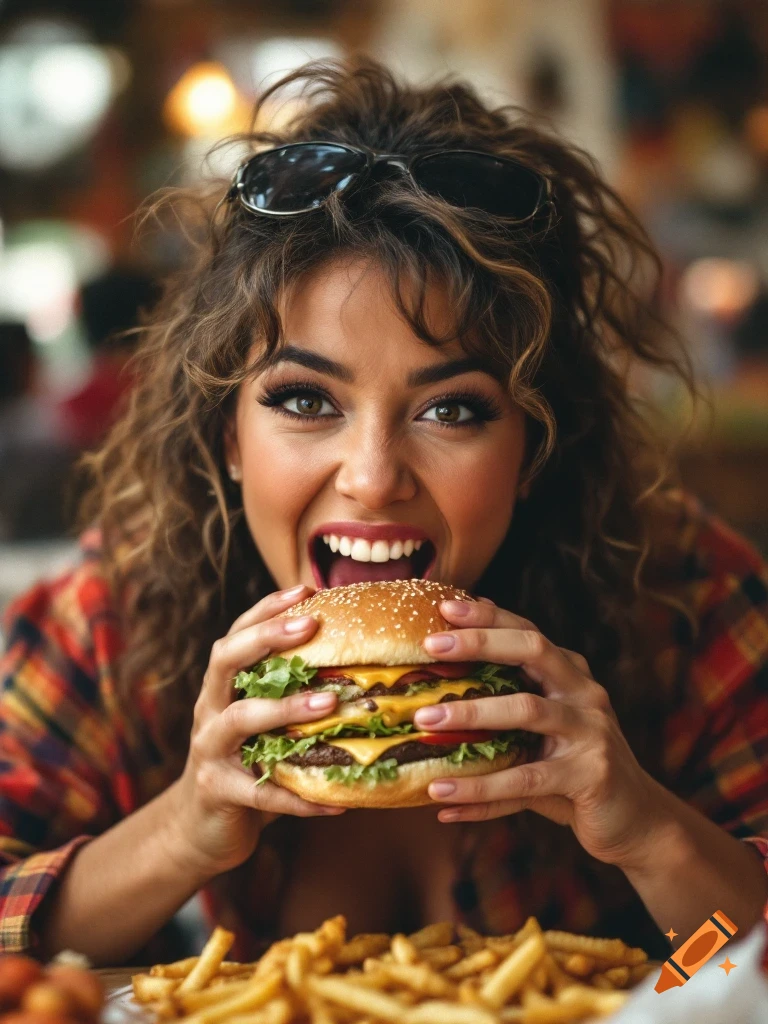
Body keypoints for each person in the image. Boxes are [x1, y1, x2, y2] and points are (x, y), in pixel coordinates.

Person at [1, 56, 767, 967]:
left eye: (453, 409)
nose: (372, 477)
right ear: (227, 435)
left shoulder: (685, 599)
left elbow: (739, 953)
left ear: (535, 447)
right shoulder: (107, 623)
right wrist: (181, 832)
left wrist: (648, 832)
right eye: (304, 399)